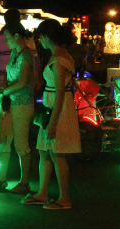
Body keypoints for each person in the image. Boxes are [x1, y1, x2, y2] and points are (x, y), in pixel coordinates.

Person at [21, 19, 81, 210]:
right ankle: (43, 193)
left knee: (56, 154)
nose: (41, 41)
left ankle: (64, 198)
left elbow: (61, 93)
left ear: (47, 37)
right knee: (45, 152)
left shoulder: (59, 60)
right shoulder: (61, 56)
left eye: (41, 37)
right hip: (53, 110)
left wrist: (53, 123)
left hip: (57, 111)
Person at [0, 23, 35, 194]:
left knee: (21, 144)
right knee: (3, 141)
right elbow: (8, 76)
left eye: (7, 37)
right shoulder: (15, 52)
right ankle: (2, 179)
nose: (6, 41)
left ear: (16, 35)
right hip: (10, 103)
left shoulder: (26, 54)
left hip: (22, 103)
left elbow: (23, 82)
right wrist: (3, 89)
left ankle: (24, 182)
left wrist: (3, 91)